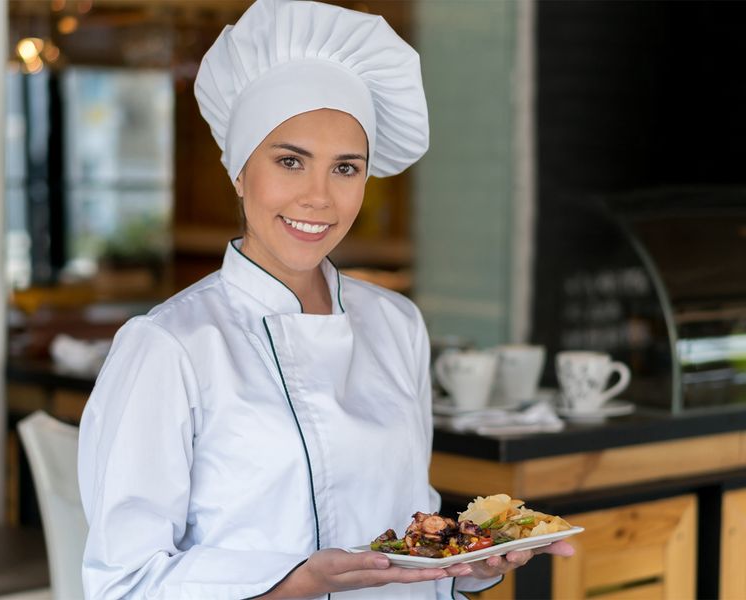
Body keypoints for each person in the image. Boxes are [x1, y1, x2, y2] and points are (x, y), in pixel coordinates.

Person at [77, 0, 574, 598]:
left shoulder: (396, 324)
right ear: (239, 171)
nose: (319, 197)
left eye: (345, 168)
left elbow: (412, 525)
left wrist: (474, 565)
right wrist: (292, 582)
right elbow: (123, 584)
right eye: (290, 161)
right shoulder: (168, 346)